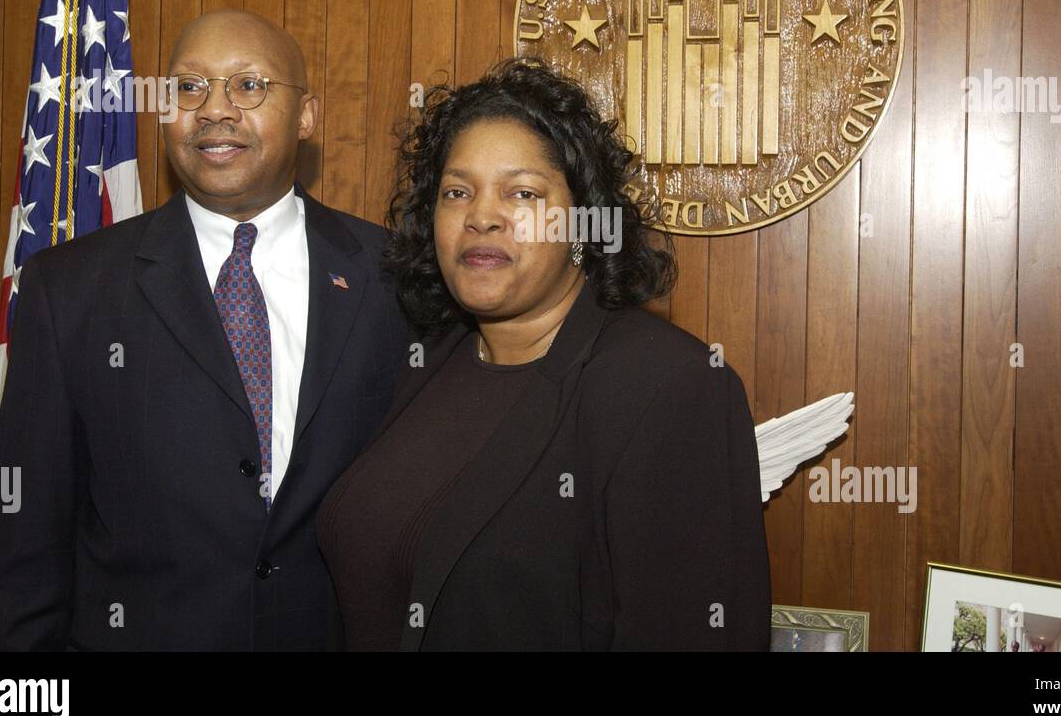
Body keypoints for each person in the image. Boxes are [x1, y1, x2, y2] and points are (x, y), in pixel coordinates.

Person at [0, 9, 408, 650]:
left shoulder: (396, 279)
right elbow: (25, 548)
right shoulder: (68, 291)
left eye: (249, 85)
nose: (215, 110)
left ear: (308, 115)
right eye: (188, 87)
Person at [317, 58, 770, 650]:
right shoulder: (427, 360)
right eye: (457, 192)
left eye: (522, 193)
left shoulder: (667, 387)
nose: (481, 216)